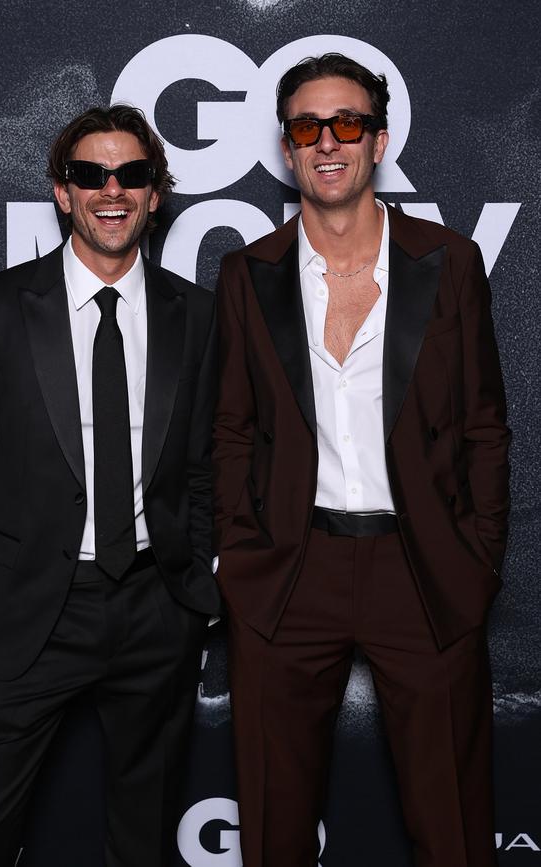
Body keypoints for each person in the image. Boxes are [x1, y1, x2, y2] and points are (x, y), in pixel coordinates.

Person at [212, 53, 509, 867]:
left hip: (423, 568)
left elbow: (485, 425)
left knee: (452, 826)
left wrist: (474, 561)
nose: (328, 142)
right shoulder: (249, 273)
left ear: (379, 140)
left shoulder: (448, 261)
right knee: (273, 828)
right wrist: (241, 560)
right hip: (287, 570)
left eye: (348, 123)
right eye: (308, 127)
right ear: (288, 148)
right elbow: (231, 430)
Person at [0, 104, 220, 867]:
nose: (111, 191)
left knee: (144, 839)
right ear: (62, 191)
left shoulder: (200, 315)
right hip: (31, 614)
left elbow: (205, 462)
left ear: (157, 193)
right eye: (91, 174)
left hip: (159, 609)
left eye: (132, 174)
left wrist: (200, 581)